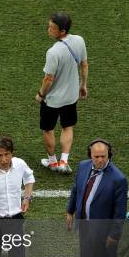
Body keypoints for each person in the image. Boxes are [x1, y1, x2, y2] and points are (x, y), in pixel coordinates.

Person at [66, 139, 127, 257]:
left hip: (105, 232)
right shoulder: (83, 166)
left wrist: (114, 235)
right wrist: (70, 211)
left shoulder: (118, 179)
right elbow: (76, 189)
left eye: (103, 156)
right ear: (90, 155)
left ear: (109, 155)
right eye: (96, 156)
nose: (100, 160)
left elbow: (120, 212)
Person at [36, 12, 89, 173]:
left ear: (62, 31)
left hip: (52, 100)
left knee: (48, 129)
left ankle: (52, 162)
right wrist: (83, 85)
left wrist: (40, 94)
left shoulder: (53, 52)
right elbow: (84, 65)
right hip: (71, 97)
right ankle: (64, 162)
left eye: (52, 28)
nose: (48, 30)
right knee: (67, 127)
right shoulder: (79, 41)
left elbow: (48, 79)